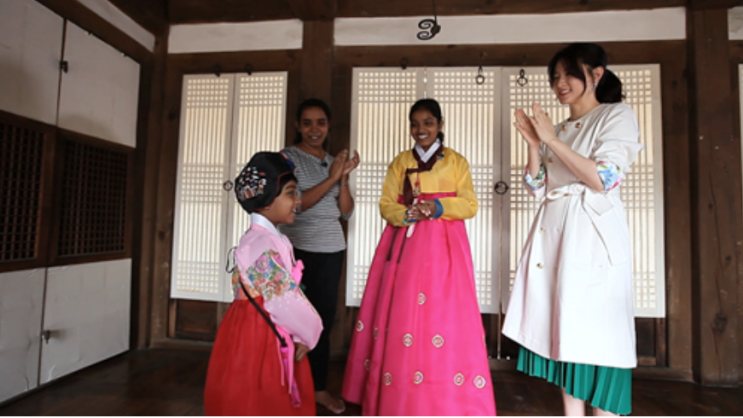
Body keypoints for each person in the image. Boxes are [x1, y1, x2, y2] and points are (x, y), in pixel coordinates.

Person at [502, 43, 643, 416]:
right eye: (555, 77)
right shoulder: (558, 128)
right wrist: (535, 144)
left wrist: (549, 140)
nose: (559, 83)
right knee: (563, 327)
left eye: (568, 74)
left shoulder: (617, 115)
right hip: (556, 238)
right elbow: (537, 187)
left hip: (592, 238)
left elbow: (604, 177)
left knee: (599, 333)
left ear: (595, 75)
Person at [341, 98, 496, 416]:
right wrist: (407, 212)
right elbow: (386, 203)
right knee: (404, 309)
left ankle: (445, 396)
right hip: (406, 245)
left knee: (442, 312)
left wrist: (438, 207)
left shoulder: (456, 162)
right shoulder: (400, 162)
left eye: (427, 122)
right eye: (415, 123)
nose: (420, 129)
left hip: (444, 247)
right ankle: (398, 392)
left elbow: (469, 204)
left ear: (440, 124)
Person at [204, 152, 323, 416]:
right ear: (267, 199)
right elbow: (282, 299)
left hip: (264, 322)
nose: (298, 200)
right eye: (291, 193)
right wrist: (310, 330)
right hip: (261, 330)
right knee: (260, 395)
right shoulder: (259, 244)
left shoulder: (268, 239)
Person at [280, 98, 359, 414]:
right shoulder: (287, 157)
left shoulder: (331, 160)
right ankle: (288, 383)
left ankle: (319, 388)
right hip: (297, 250)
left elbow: (346, 212)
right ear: (298, 126)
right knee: (289, 320)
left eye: (321, 123)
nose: (315, 129)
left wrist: (341, 179)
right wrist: (331, 178)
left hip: (331, 249)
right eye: (308, 123)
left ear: (328, 127)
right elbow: (296, 205)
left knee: (321, 320)